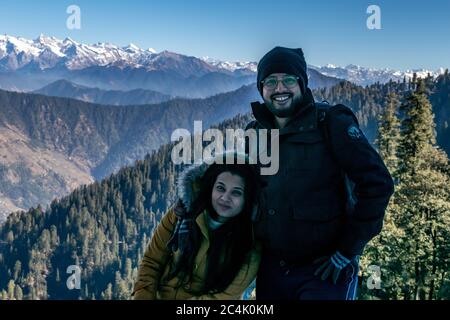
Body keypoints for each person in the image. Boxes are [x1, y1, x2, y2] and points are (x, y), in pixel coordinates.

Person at [246, 46, 394, 300]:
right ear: (261, 88)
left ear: (302, 84)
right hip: (272, 268)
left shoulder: (331, 123)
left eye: (289, 80)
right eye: (270, 81)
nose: (279, 88)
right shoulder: (256, 132)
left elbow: (377, 183)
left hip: (325, 270)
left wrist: (347, 249)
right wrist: (192, 209)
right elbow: (245, 190)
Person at [132, 152, 262, 300]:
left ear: (248, 198)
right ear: (210, 187)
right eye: (220, 188)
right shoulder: (181, 215)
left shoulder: (249, 246)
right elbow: (152, 261)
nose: (225, 198)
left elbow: (220, 299)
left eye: (236, 193)